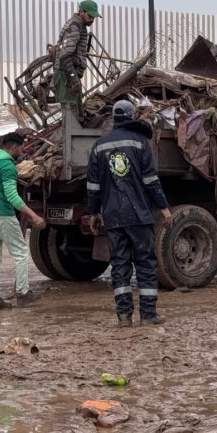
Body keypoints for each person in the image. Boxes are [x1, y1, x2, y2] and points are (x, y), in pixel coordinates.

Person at [87, 100, 172, 327]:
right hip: (139, 215)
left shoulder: (99, 146)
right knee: (145, 263)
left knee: (119, 265)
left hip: (113, 217)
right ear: (132, 116)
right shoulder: (140, 143)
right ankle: (148, 315)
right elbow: (151, 180)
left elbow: (93, 186)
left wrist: (94, 212)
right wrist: (164, 207)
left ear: (114, 118)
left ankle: (124, 317)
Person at [0, 132, 46, 310]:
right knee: (21, 253)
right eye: (20, 148)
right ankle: (23, 293)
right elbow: (12, 197)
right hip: (2, 214)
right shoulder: (7, 166)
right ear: (14, 147)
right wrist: (34, 215)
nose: (21, 151)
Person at [53, 0, 102, 108]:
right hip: (65, 73)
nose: (92, 20)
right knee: (70, 109)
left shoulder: (80, 26)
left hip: (69, 73)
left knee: (77, 108)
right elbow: (64, 55)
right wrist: (73, 77)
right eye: (90, 16)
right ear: (81, 12)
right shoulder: (74, 27)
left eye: (94, 17)